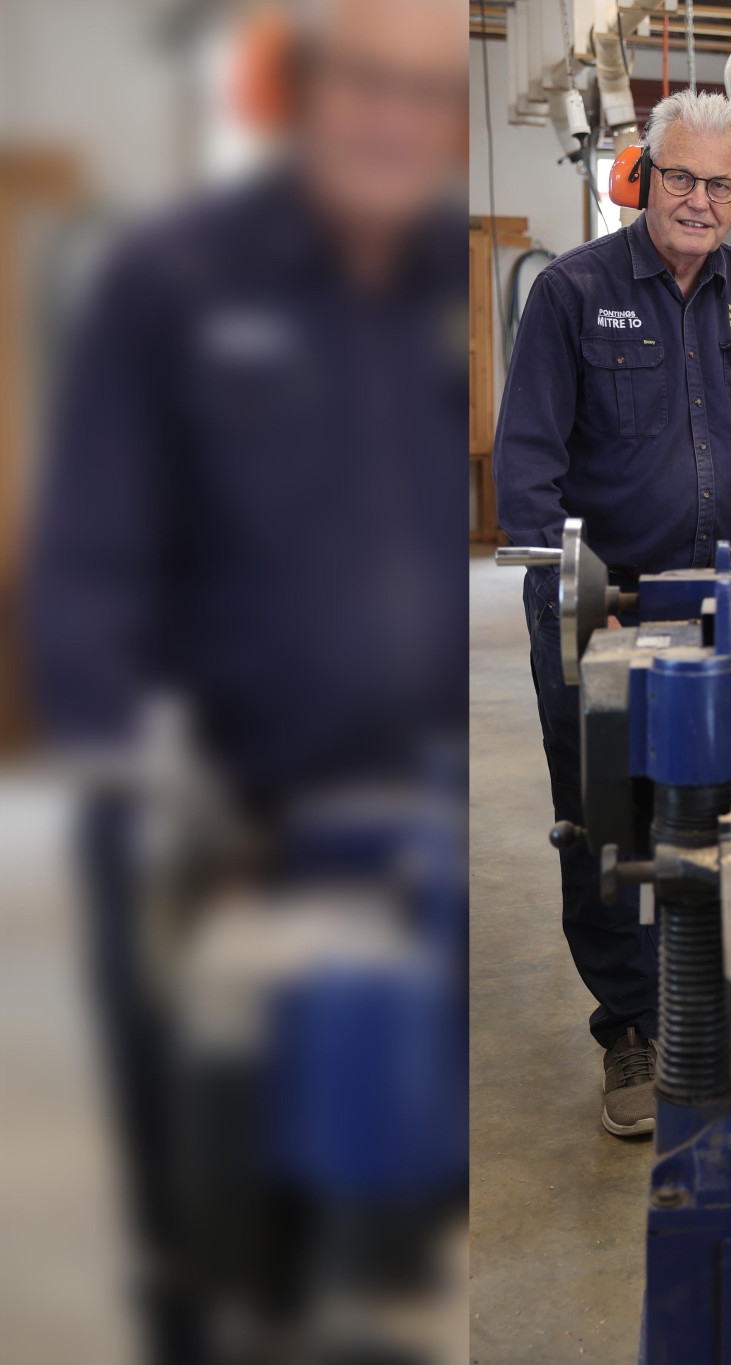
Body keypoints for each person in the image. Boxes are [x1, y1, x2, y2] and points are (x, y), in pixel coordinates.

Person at [28, 0, 472, 1356]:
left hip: (399, 825)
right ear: (300, 87)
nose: (400, 119)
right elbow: (86, 567)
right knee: (215, 1227)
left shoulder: (440, 285)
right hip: (208, 834)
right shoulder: (174, 281)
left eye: (430, 93)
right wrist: (165, 798)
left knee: (382, 1212)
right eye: (370, 83)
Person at [494, 90, 731, 1138]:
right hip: (604, 607)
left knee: (723, 804)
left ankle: (710, 998)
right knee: (601, 819)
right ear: (639, 177)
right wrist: (568, 592)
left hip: (720, 597)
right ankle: (630, 1023)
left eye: (721, 184)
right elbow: (529, 454)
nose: (699, 199)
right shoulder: (573, 293)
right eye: (679, 177)